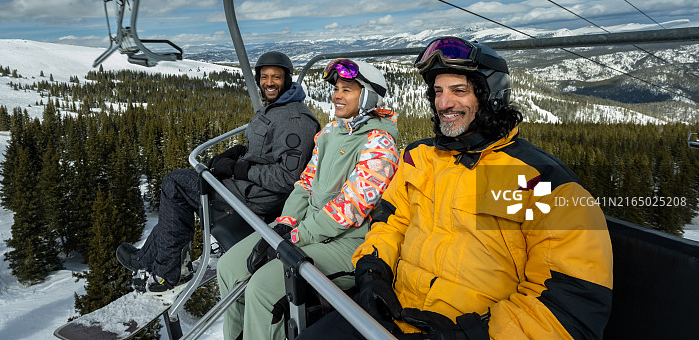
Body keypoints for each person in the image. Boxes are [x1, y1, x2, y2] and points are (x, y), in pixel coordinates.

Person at [299, 37, 613, 340]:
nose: (444, 103)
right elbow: (390, 223)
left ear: (491, 96)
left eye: (458, 90)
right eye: (437, 92)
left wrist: (472, 334)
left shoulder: (541, 181)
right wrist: (372, 270)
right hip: (388, 312)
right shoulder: (420, 158)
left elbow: (570, 307)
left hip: (473, 327)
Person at [216, 58, 400, 340]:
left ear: (368, 97)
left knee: (263, 287)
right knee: (229, 267)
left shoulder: (379, 144)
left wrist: (296, 237)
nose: (337, 95)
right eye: (336, 88)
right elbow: (304, 184)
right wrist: (285, 223)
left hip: (347, 244)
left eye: (347, 89)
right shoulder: (330, 132)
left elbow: (349, 210)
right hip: (306, 230)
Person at [116, 51, 320, 299]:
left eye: (276, 77)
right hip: (247, 187)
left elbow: (289, 178)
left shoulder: (295, 120)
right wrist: (236, 153)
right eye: (264, 76)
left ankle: (169, 272)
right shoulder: (277, 108)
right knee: (183, 186)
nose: (269, 82)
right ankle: (148, 257)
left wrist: (238, 168)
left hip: (255, 198)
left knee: (175, 184)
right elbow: (266, 150)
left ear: (287, 79)